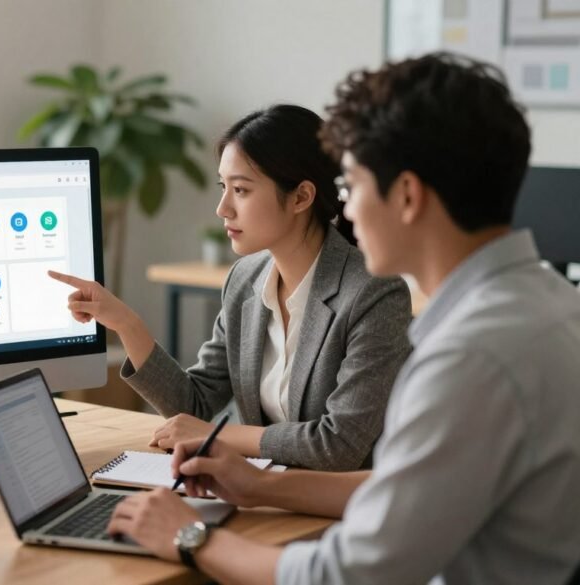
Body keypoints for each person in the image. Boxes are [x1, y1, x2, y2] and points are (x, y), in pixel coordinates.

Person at [105, 53, 580, 585]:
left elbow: (349, 572)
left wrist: (192, 538)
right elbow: (401, 492)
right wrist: (257, 486)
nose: (346, 209)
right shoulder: (553, 305)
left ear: (405, 195)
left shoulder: (469, 356)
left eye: (351, 185)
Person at [50, 104, 412, 471]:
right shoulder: (245, 279)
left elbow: (340, 444)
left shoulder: (374, 293)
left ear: (301, 197)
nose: (222, 208)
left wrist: (218, 436)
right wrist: (127, 325)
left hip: (341, 508)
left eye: (240, 189)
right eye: (224, 187)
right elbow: (194, 406)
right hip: (261, 492)